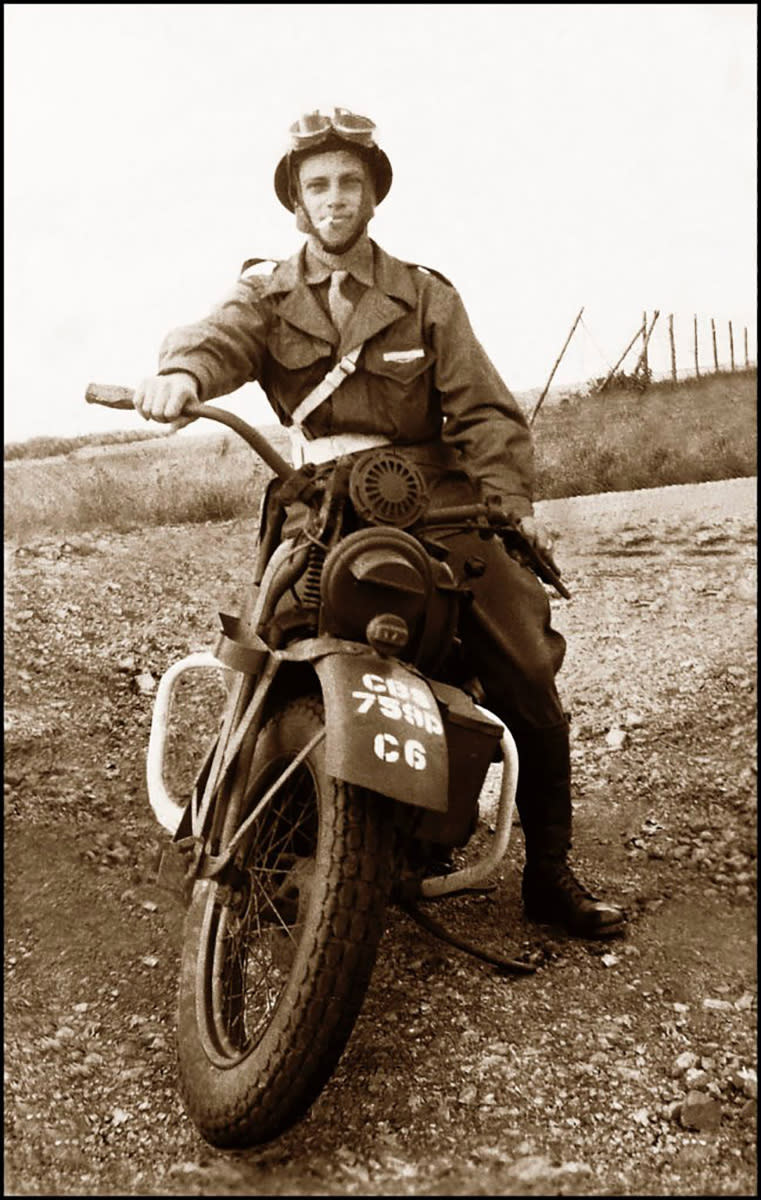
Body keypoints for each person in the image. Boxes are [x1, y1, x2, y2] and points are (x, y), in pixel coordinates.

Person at [134, 106, 626, 939]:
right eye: (317, 184)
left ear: (373, 194)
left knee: (527, 675)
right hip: (322, 500)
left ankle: (548, 872)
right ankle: (226, 847)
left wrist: (505, 508)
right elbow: (216, 336)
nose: (334, 198)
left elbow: (485, 413)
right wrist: (182, 374)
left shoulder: (425, 295)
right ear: (296, 200)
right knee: (264, 654)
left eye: (349, 183)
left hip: (435, 502)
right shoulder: (266, 292)